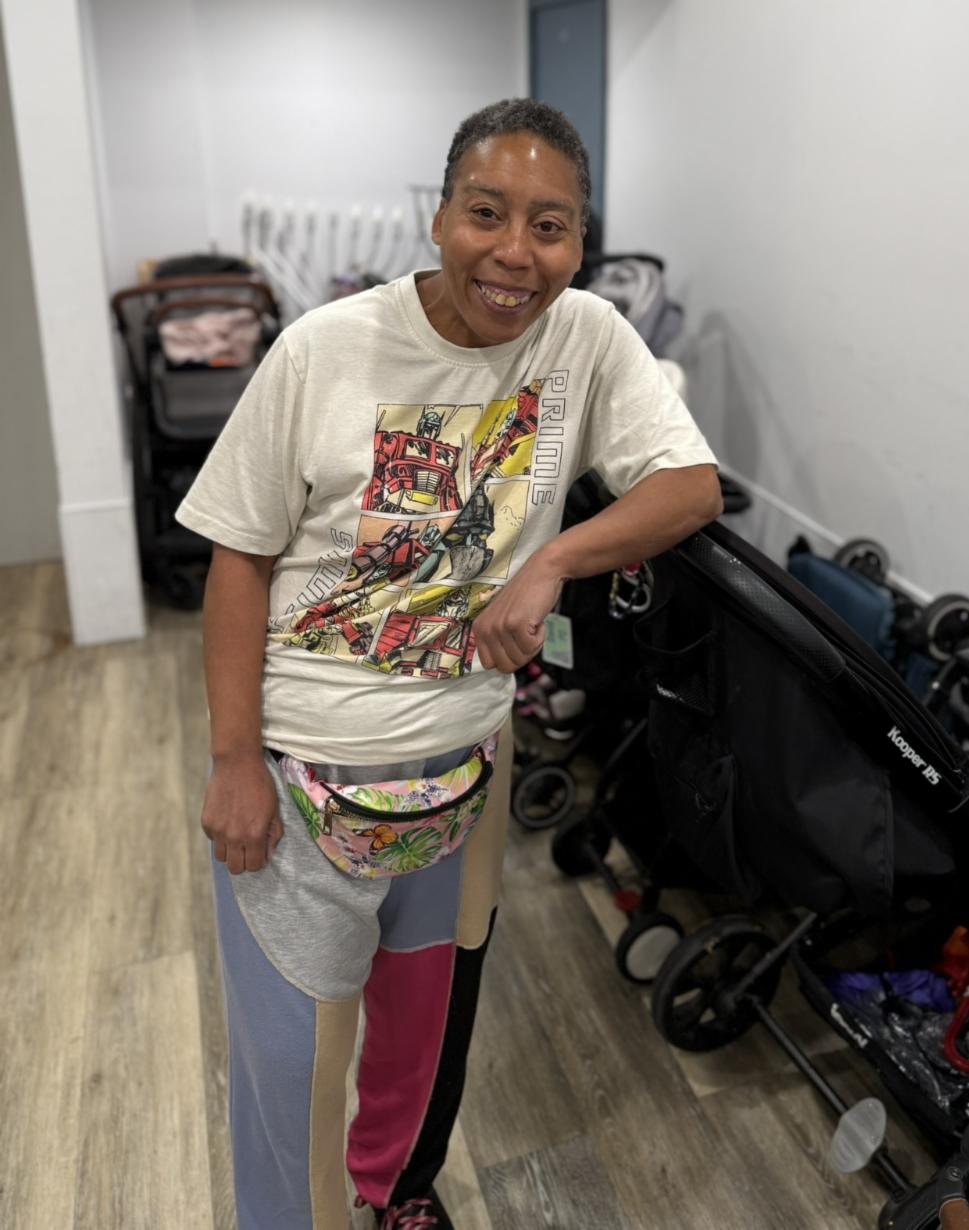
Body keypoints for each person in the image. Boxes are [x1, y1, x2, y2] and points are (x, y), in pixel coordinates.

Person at [177, 97, 721, 1230]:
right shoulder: (324, 351)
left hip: (461, 770)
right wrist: (233, 757)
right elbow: (239, 559)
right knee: (290, 1084)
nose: (517, 253)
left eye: (552, 226)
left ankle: (393, 1195)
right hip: (303, 779)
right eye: (488, 213)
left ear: (581, 243)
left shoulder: (586, 339)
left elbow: (689, 488)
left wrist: (553, 561)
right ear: (439, 218)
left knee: (420, 1039)